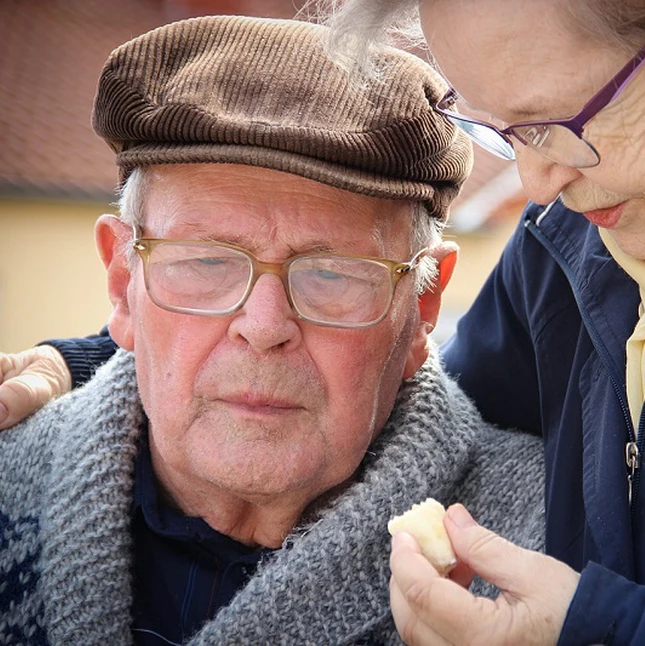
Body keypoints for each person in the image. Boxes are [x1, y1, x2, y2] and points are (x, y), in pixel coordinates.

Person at [3, 0, 645, 643]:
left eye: (561, 120)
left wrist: (605, 633)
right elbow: (392, 376)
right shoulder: (572, 237)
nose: (533, 189)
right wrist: (87, 367)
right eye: (500, 131)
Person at [0, 15, 547, 645]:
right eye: (206, 261)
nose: (263, 328)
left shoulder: (545, 549)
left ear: (423, 306)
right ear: (123, 282)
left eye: (333, 274)